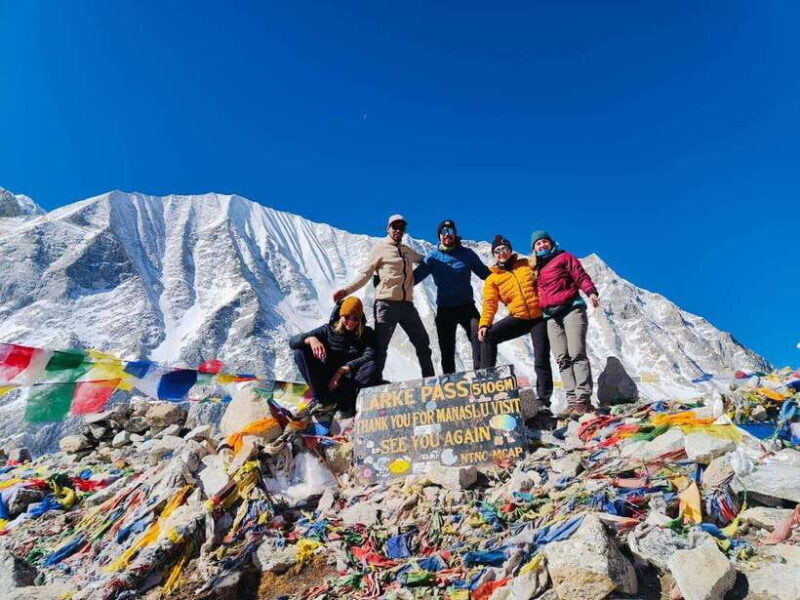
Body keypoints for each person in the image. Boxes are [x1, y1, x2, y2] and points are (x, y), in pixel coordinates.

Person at [333, 214, 434, 378]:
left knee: (423, 343)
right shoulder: (380, 249)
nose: (398, 230)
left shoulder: (407, 251)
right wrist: (346, 291)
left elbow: (425, 260)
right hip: (386, 305)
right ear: (388, 229)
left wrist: (443, 256)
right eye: (394, 227)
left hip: (406, 305)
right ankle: (372, 384)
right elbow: (365, 274)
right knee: (380, 347)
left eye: (401, 227)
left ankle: (429, 381)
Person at [531, 230, 600, 416]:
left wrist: (591, 292)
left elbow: (580, 276)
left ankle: (583, 399)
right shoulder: (535, 269)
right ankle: (571, 401)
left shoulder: (564, 257)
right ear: (534, 249)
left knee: (576, 353)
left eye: (544, 241)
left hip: (571, 309)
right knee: (562, 358)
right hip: (551, 317)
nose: (542, 245)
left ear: (551, 243)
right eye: (537, 244)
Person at [478, 235, 553, 405]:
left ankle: (544, 401)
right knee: (488, 336)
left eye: (504, 249)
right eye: (497, 251)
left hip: (539, 317)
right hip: (518, 318)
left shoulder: (526, 264)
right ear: (493, 255)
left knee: (541, 357)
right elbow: (489, 303)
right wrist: (484, 324)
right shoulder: (492, 279)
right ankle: (485, 386)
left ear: (510, 250)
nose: (501, 253)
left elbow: (545, 275)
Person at [414, 219, 490, 374]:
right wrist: (386, 280)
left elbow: (485, 274)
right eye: (443, 232)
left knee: (479, 336)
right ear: (439, 236)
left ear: (455, 234)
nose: (447, 235)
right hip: (445, 309)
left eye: (450, 231)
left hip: (466, 306)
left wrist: (506, 274)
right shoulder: (433, 258)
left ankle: (481, 375)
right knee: (446, 349)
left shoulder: (467, 254)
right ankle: (450, 382)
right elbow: (413, 278)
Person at [289, 296, 380, 416]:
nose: (351, 321)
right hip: (327, 382)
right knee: (300, 352)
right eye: (347, 317)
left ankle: (349, 405)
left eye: (355, 318)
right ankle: (323, 401)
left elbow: (371, 354)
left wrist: (343, 370)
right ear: (341, 316)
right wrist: (310, 339)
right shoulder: (328, 330)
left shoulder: (366, 333)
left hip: (349, 383)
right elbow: (293, 342)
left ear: (360, 319)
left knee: (372, 366)